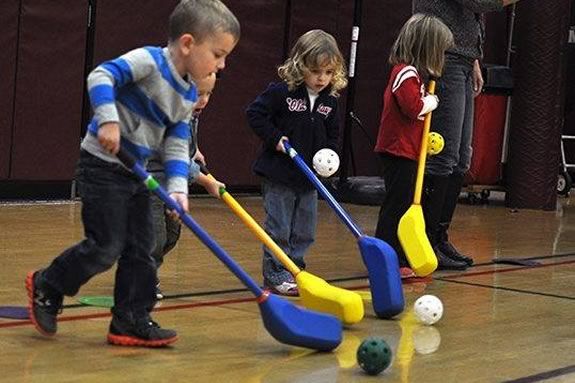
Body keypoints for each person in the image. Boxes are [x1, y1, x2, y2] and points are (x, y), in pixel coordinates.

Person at [25, 0, 239, 347]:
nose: (222, 64)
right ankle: (48, 283)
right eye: (217, 54)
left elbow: (176, 140)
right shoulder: (148, 61)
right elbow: (101, 76)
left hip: (139, 175)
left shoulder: (187, 92)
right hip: (103, 166)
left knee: (144, 248)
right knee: (106, 246)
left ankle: (130, 320)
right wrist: (108, 119)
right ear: (187, 43)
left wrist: (178, 189)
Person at [414, 0, 521, 270]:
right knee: (443, 154)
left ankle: (439, 237)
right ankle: (422, 239)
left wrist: (473, 58)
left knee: (461, 157)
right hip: (442, 56)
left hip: (460, 58)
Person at [246, 30, 347, 296]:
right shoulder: (282, 92)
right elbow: (255, 114)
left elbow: (333, 134)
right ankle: (275, 273)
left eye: (327, 72)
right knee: (278, 226)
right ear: (300, 65)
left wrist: (330, 155)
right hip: (279, 174)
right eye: (315, 71)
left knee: (305, 229)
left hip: (309, 178)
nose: (321, 79)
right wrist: (275, 138)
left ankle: (295, 269)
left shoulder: (329, 101)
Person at [373, 14, 454, 278]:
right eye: (438, 50)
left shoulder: (415, 75)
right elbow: (412, 108)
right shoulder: (405, 73)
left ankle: (398, 254)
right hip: (397, 150)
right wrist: (430, 103)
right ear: (426, 47)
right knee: (396, 205)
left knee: (404, 203)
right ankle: (385, 257)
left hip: (408, 149)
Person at [149, 73, 217, 300]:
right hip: (150, 184)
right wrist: (207, 181)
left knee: (171, 234)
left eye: (209, 94)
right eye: (198, 94)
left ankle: (138, 263)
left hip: (172, 186)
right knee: (154, 238)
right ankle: (143, 278)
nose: (204, 100)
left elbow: (185, 143)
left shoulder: (192, 111)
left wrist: (194, 149)